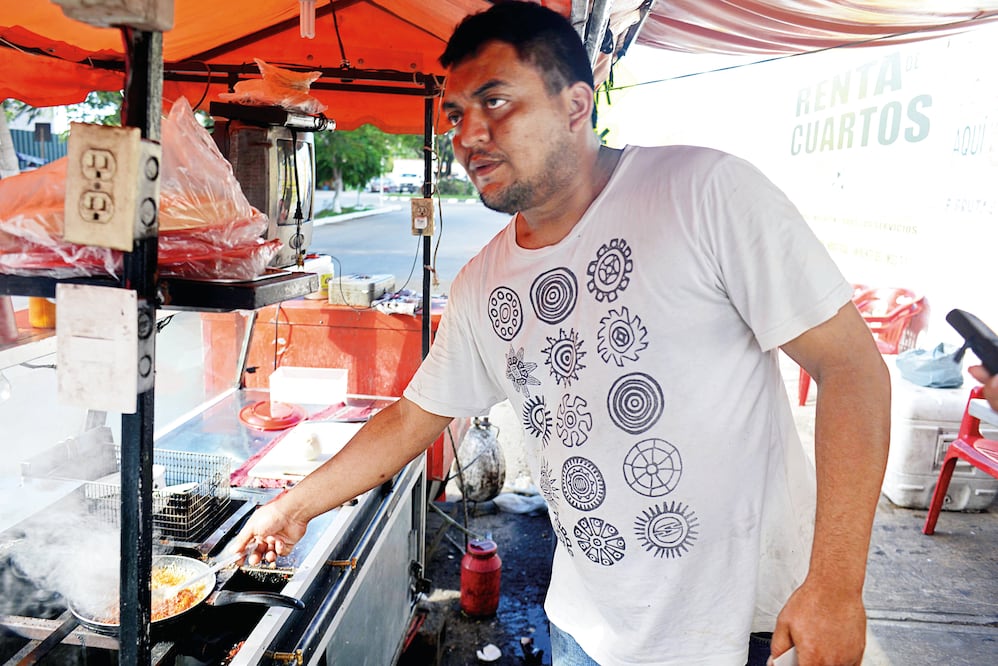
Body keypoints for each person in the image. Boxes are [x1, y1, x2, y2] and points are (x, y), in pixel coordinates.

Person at [231, 3, 890, 664]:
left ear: (577, 102)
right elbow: (412, 418)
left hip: (743, 628)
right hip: (585, 630)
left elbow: (852, 370)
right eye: (457, 113)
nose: (468, 135)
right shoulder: (483, 285)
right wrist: (295, 507)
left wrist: (835, 587)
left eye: (496, 100)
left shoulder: (705, 193)